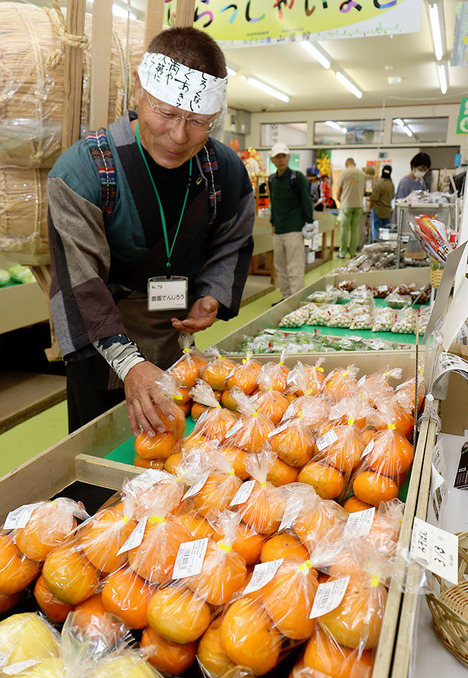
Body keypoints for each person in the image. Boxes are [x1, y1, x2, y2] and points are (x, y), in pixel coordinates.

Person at [47, 27, 255, 436]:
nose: (179, 137)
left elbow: (234, 236)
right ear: (138, 89)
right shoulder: (84, 171)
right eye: (166, 113)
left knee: (182, 464)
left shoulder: (223, 169)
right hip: (102, 349)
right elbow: (80, 284)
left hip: (175, 342)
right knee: (105, 472)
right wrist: (130, 365)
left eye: (199, 122)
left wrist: (212, 292)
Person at [269, 143, 313, 301]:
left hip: (294, 230)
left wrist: (309, 221)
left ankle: (296, 301)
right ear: (273, 160)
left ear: (288, 158)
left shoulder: (297, 177)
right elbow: (273, 203)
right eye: (277, 157)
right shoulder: (272, 179)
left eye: (284, 156)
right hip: (278, 231)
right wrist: (273, 223)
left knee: (295, 268)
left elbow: (306, 200)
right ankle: (286, 298)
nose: (281, 160)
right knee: (280, 268)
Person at [336, 157, 365, 258]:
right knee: (355, 229)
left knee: (344, 229)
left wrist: (339, 199)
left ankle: (342, 253)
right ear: (354, 164)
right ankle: (353, 253)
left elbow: (339, 190)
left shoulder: (344, 173)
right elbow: (364, 190)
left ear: (346, 164)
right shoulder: (361, 174)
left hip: (346, 205)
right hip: (358, 205)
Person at [369, 164, 395, 241]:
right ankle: (385, 247)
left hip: (378, 210)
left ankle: (376, 247)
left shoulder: (379, 183)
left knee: (376, 230)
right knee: (385, 231)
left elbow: (374, 198)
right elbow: (393, 196)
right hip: (387, 211)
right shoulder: (391, 184)